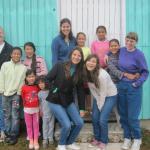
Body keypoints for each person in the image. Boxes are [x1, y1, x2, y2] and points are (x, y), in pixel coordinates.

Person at [46, 47, 84, 150]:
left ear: (81, 58)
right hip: (55, 99)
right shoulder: (60, 65)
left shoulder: (80, 72)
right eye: (75, 54)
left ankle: (70, 142)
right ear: (71, 55)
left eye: (79, 56)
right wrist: (53, 89)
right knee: (67, 125)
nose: (76, 57)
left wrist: (82, 108)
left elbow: (80, 92)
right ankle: (61, 145)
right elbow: (47, 79)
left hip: (68, 100)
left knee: (79, 123)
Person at [117, 32, 149, 150]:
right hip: (122, 86)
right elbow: (112, 53)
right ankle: (127, 138)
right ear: (125, 40)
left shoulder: (139, 54)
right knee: (123, 115)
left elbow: (145, 72)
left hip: (134, 87)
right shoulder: (122, 50)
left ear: (136, 42)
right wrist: (107, 54)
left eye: (132, 41)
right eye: (128, 40)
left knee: (132, 116)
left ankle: (137, 139)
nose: (129, 43)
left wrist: (137, 83)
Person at [83, 54, 117, 150]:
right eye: (89, 61)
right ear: (86, 62)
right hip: (98, 96)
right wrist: (97, 101)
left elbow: (104, 92)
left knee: (102, 119)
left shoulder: (102, 75)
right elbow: (92, 90)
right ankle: (97, 138)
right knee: (94, 118)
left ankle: (103, 141)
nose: (91, 63)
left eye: (94, 61)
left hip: (110, 95)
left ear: (97, 64)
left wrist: (100, 106)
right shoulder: (87, 73)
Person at [0, 47, 26, 144]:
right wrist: (2, 91)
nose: (16, 55)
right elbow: (1, 78)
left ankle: (14, 134)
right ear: (11, 55)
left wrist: (18, 93)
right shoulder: (5, 65)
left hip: (15, 95)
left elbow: (22, 82)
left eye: (18, 54)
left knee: (15, 115)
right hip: (5, 94)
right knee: (7, 114)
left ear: (20, 55)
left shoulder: (23, 68)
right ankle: (8, 133)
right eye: (14, 53)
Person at [21, 69, 40, 150]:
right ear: (26, 78)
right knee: (29, 126)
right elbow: (22, 98)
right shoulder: (23, 87)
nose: (31, 78)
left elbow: (40, 98)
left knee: (36, 126)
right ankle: (31, 140)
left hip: (36, 110)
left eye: (32, 76)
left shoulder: (37, 87)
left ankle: (36, 140)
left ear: (35, 77)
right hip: (27, 110)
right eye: (29, 77)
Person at [0, 27, 13, 141]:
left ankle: (3, 131)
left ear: (3, 34)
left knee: (3, 108)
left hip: (5, 83)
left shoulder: (9, 48)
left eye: (0, 32)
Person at [76, 32, 91, 117]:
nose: (81, 40)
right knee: (79, 91)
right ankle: (81, 109)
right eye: (79, 38)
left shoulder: (87, 49)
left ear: (85, 39)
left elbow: (90, 59)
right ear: (77, 39)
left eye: (82, 38)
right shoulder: (75, 48)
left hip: (86, 73)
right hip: (77, 73)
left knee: (87, 91)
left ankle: (89, 109)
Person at [37, 75, 54, 149]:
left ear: (46, 83)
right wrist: (40, 110)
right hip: (44, 113)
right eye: (39, 83)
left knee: (51, 125)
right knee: (45, 126)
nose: (40, 85)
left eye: (42, 83)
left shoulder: (50, 91)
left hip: (52, 112)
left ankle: (50, 138)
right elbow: (40, 103)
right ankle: (45, 139)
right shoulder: (39, 93)